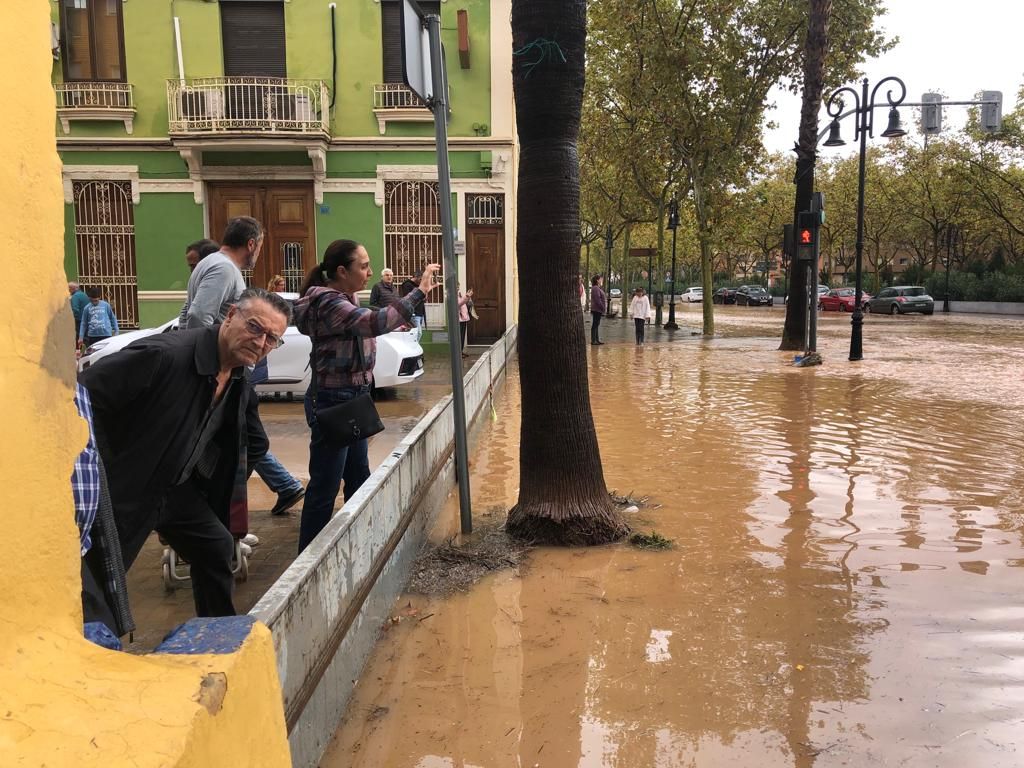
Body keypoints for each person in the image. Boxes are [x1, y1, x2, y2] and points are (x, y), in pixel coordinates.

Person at [80, 288, 291, 617]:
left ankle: (217, 636)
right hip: (127, 490)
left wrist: (211, 473)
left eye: (271, 338)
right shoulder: (165, 355)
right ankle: (94, 650)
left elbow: (247, 440)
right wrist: (104, 466)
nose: (260, 342)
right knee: (102, 583)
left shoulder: (238, 378)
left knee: (217, 548)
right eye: (254, 327)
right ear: (231, 315)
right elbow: (83, 397)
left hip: (175, 489)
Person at [293, 240, 439, 553]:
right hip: (334, 402)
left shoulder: (345, 297)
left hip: (353, 399)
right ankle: (307, 561)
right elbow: (372, 323)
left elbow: (373, 322)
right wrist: (419, 292)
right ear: (341, 271)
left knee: (359, 477)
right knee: (324, 487)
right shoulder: (327, 302)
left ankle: (359, 547)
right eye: (363, 266)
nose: (369, 272)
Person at [180, 218, 305, 518]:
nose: (259, 252)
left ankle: (221, 515)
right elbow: (198, 316)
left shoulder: (212, 264)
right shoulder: (224, 268)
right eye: (260, 246)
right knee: (250, 443)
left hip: (228, 370)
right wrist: (211, 368)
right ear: (252, 244)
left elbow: (188, 313)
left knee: (239, 443)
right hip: (223, 371)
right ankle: (211, 508)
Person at [590, 274, 607, 345]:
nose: (601, 280)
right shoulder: (595, 288)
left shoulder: (597, 288)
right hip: (597, 309)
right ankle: (593, 340)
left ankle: (596, 339)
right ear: (597, 280)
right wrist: (603, 307)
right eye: (600, 279)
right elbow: (597, 299)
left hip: (598, 309)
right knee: (595, 324)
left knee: (596, 324)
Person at [457, 283, 473, 356]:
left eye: (458, 286)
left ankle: (461, 351)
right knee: (459, 337)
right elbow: (459, 304)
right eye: (456, 286)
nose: (458, 288)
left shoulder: (459, 294)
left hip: (463, 318)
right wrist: (466, 296)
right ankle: (459, 353)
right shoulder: (453, 295)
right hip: (459, 319)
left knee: (462, 336)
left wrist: (468, 297)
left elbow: (463, 302)